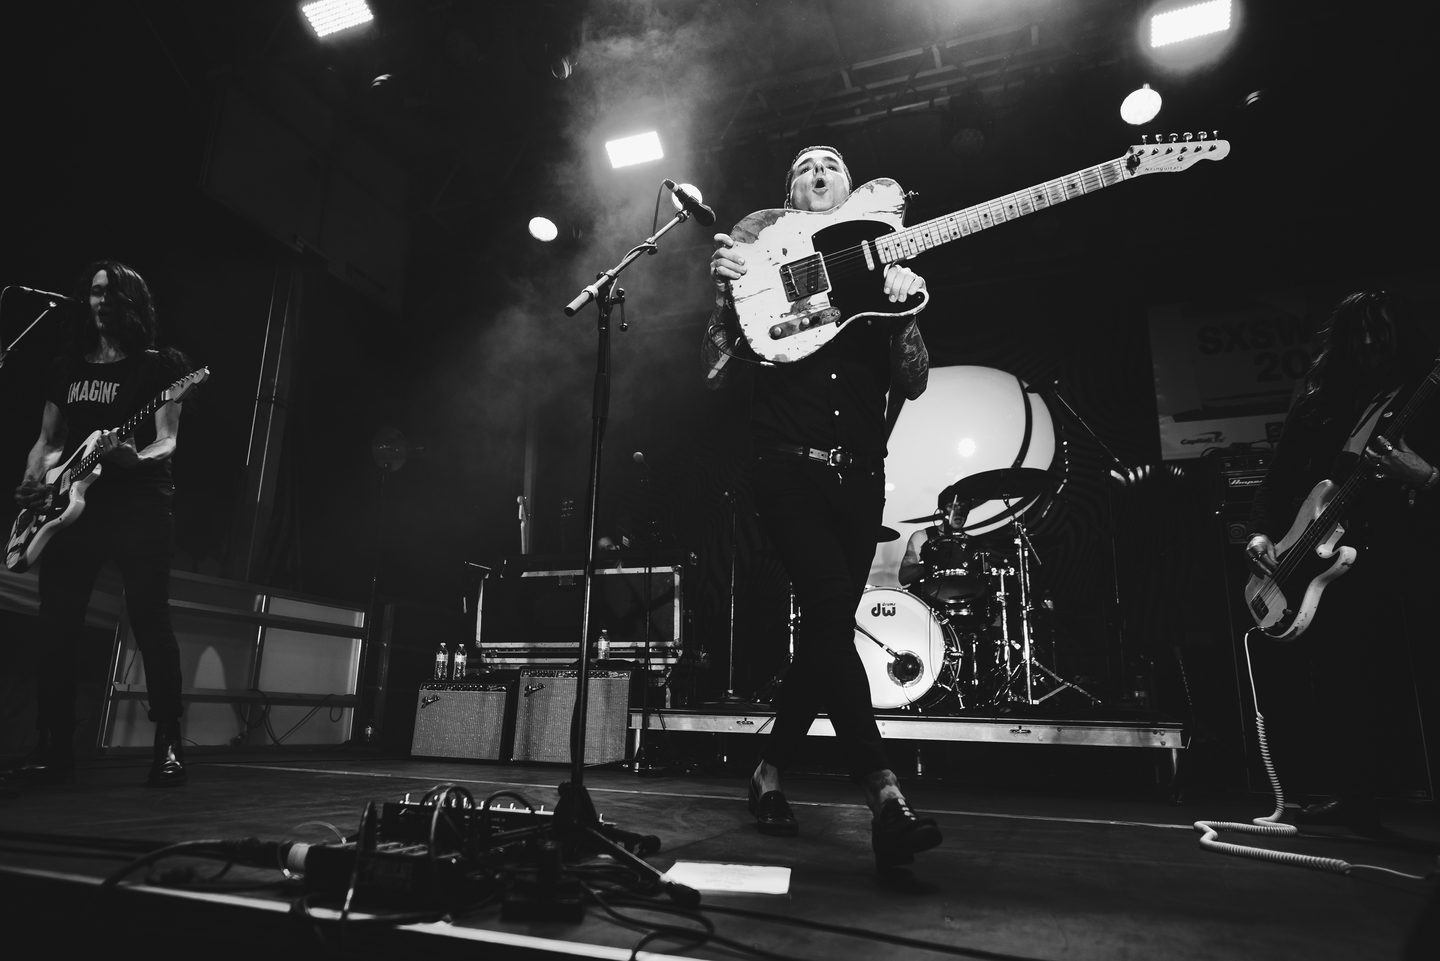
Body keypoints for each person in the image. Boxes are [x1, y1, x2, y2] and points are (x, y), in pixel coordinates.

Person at [703, 145, 942, 868]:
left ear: (852, 191)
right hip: (788, 470)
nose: (818, 171)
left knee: (827, 628)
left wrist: (904, 309)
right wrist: (726, 296)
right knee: (832, 603)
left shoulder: (880, 266)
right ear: (789, 196)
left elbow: (915, 381)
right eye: (805, 166)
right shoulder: (764, 267)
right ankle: (883, 792)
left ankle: (768, 770)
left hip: (861, 477)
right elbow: (715, 370)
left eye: (831, 165)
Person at [1245, 290, 1440, 827]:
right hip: (1335, 564)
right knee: (1340, 678)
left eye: (1382, 330)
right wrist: (1260, 535)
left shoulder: (1427, 392)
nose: (1371, 342)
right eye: (1360, 333)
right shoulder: (1320, 403)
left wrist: (1426, 477)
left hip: (1414, 557)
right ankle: (1355, 797)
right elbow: (1279, 480)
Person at [5, 260, 190, 790]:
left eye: (110, 293)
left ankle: (169, 742)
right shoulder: (66, 367)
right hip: (71, 507)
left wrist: (135, 457)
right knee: (57, 624)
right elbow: (50, 440)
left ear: (132, 302)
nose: (100, 300)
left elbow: (167, 439)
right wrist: (33, 480)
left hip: (139, 506)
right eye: (93, 292)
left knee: (150, 620)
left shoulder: (159, 369)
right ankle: (53, 746)